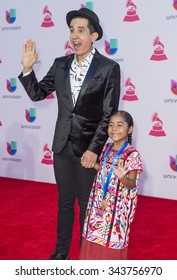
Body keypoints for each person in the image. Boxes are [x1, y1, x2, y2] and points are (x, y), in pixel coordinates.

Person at [18, 7, 121, 260]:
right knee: (65, 203)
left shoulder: (109, 68)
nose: (74, 35)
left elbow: (109, 114)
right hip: (62, 146)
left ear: (93, 35)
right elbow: (38, 93)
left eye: (81, 30)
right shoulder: (60, 64)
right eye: (72, 30)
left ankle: (86, 255)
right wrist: (28, 69)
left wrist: (93, 149)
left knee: (87, 206)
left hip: (88, 150)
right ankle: (61, 253)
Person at [79, 110, 143, 260]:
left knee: (112, 238)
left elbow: (131, 184)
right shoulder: (106, 147)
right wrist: (92, 164)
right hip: (98, 201)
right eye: (111, 125)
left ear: (130, 129)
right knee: (94, 234)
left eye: (119, 125)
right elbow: (103, 169)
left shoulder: (132, 154)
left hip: (117, 206)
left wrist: (122, 177)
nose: (114, 129)